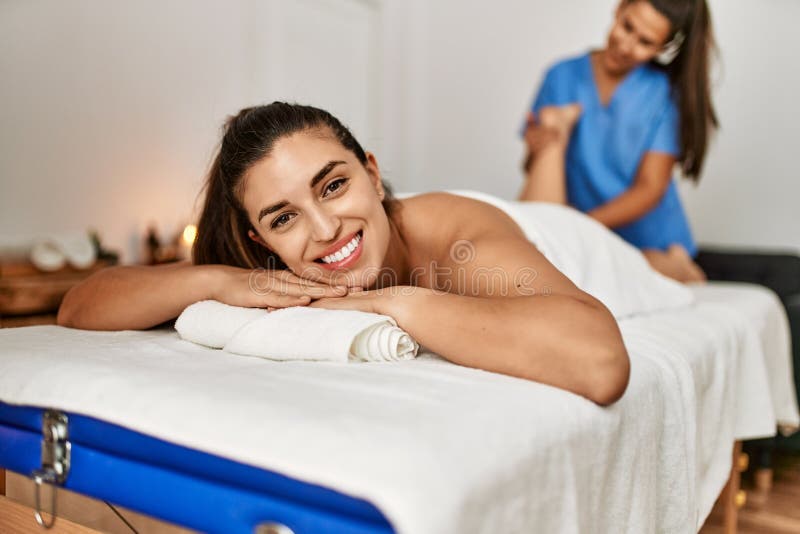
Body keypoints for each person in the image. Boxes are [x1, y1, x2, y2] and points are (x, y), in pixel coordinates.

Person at [58, 102, 630, 405]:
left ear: (372, 174)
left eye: (333, 185)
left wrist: (392, 303)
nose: (326, 227)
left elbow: (600, 363)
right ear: (261, 241)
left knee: (635, 256)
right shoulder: (270, 270)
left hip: (570, 239)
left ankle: (666, 261)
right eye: (284, 218)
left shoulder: (454, 239)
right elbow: (79, 306)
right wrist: (212, 280)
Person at [519, 0, 718, 283]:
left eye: (645, 42)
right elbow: (531, 169)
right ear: (620, 7)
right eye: (627, 27)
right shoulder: (561, 76)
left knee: (638, 266)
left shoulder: (663, 94)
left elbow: (650, 188)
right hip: (579, 230)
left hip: (646, 240)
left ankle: (680, 264)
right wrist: (541, 145)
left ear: (661, 48)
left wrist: (580, 227)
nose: (626, 46)